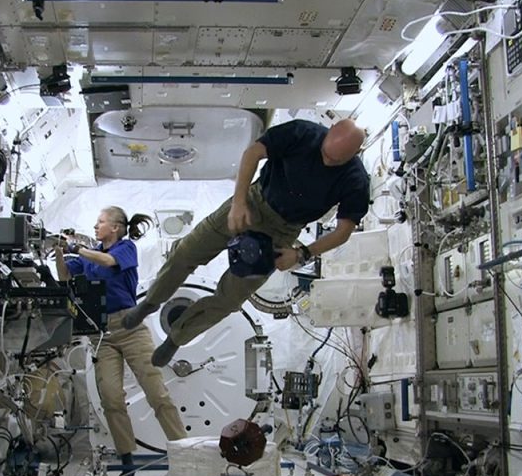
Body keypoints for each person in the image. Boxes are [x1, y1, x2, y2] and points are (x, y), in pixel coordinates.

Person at [122, 118, 370, 367]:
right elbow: (253, 153)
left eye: (336, 161)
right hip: (253, 200)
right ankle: (149, 303)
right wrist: (238, 201)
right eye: (326, 153)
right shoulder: (302, 133)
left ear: (354, 154)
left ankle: (176, 338)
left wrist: (301, 254)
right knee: (185, 253)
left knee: (229, 298)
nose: (328, 161)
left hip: (282, 231)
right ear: (329, 132)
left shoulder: (355, 179)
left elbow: (343, 231)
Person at [55, 206, 187, 476]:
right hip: (102, 333)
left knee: (156, 392)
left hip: (130, 327)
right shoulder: (90, 257)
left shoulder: (125, 249)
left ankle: (184, 451)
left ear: (115, 227)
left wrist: (77, 248)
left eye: (100, 222)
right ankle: (126, 456)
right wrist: (59, 251)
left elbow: (108, 262)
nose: (95, 226)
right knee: (111, 397)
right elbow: (64, 275)